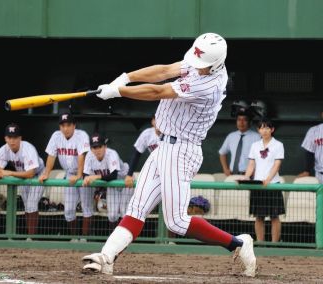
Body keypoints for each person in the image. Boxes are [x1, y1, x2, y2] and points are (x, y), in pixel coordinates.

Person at [81, 33, 256, 277]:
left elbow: (157, 91)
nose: (195, 67)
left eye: (200, 65)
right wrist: (125, 78)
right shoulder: (201, 62)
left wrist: (117, 92)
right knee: (137, 208)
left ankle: (238, 243)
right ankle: (106, 257)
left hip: (182, 150)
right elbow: (164, 70)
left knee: (176, 222)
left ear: (215, 64)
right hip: (164, 146)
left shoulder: (209, 84)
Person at [38, 113, 92, 242]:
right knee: (68, 209)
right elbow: (51, 156)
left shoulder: (81, 135)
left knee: (86, 207)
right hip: (69, 174)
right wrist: (46, 173)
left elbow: (81, 156)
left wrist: (79, 175)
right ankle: (74, 237)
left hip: (86, 173)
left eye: (68, 125)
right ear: (60, 126)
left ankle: (84, 239)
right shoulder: (56, 136)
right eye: (63, 125)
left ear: (74, 125)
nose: (65, 128)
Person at [0, 123, 45, 239]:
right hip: (22, 175)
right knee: (27, 205)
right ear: (5, 138)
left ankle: (32, 237)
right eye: (10, 137)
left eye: (15, 137)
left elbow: (31, 173)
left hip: (38, 174)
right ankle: (30, 236)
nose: (12, 141)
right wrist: (0, 173)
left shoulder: (28, 148)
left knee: (31, 204)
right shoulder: (4, 149)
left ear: (20, 138)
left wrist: (10, 173)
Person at [243, 118, 285, 242]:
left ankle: (274, 245)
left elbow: (277, 164)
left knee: (274, 216)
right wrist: (246, 177)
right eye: (262, 128)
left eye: (267, 128)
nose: (264, 130)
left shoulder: (278, 145)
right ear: (258, 130)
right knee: (259, 217)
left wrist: (268, 179)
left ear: (272, 130)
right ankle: (260, 244)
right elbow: (251, 164)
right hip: (257, 185)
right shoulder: (255, 145)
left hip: (273, 185)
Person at [83, 134, 131, 230]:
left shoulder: (112, 154)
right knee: (112, 215)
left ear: (105, 146)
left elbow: (113, 175)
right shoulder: (89, 155)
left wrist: (95, 177)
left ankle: (125, 241)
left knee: (124, 212)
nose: (97, 150)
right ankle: (114, 240)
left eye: (100, 146)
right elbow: (85, 175)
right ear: (91, 149)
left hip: (125, 181)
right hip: (112, 184)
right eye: (94, 147)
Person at [219, 102, 260, 175]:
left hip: (249, 175)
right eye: (239, 119)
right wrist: (225, 169)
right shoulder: (231, 136)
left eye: (245, 120)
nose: (241, 122)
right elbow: (222, 153)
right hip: (232, 174)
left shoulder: (257, 137)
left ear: (250, 122)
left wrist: (256, 170)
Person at [124, 116, 160, 188]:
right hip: (155, 166)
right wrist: (129, 174)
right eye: (157, 119)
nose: (159, 122)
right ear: (152, 121)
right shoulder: (147, 134)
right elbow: (136, 154)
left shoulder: (171, 134)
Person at [298, 112, 323, 183]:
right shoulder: (314, 131)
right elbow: (309, 152)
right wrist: (307, 170)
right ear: (322, 115)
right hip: (320, 175)